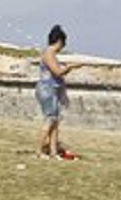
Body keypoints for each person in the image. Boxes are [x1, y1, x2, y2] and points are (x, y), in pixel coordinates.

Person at [36, 23, 85, 160]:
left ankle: (53, 152)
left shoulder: (50, 53)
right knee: (49, 121)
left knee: (55, 122)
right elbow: (57, 72)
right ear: (59, 41)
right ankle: (39, 151)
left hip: (53, 90)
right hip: (47, 90)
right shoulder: (49, 53)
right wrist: (70, 67)